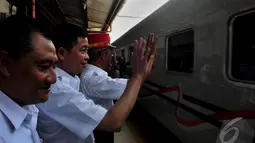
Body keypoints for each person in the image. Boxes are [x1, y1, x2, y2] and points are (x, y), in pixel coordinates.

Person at [36, 23, 157, 143]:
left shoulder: (70, 81)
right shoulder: (58, 89)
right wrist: (138, 75)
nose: (87, 57)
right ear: (62, 53)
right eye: (83, 51)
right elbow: (114, 122)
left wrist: (139, 75)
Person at [0, 15, 57, 143]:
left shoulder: (28, 107)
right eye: (44, 67)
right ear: (5, 64)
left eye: (54, 66)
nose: (53, 79)